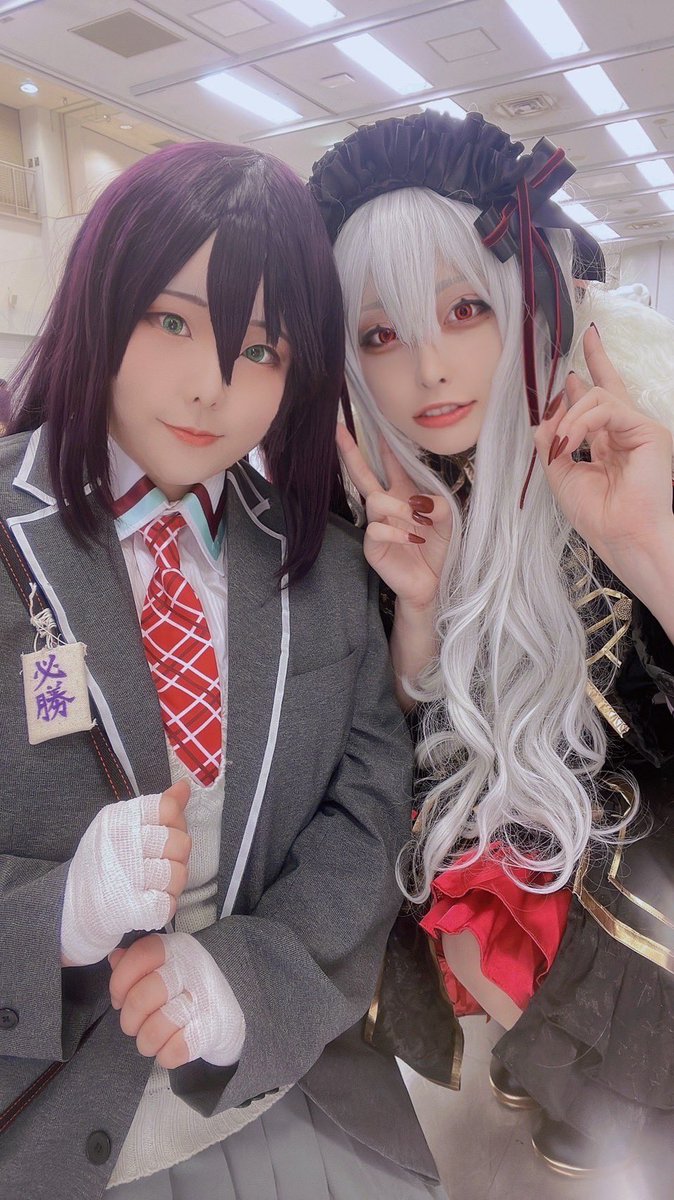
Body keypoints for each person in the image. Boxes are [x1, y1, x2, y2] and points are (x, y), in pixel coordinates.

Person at [0, 142, 446, 1200]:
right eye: (172, 321)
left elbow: (367, 802)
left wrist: (250, 977)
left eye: (260, 348)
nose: (213, 386)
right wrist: (53, 914)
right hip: (40, 1103)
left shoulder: (322, 563)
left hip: (274, 1080)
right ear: (102, 302)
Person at [309, 110, 674, 1176]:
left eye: (465, 309)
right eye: (379, 335)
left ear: (522, 303)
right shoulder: (363, 502)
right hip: (491, 818)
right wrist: (417, 609)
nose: (428, 369)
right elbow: (385, 738)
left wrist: (646, 544)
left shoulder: (628, 442)